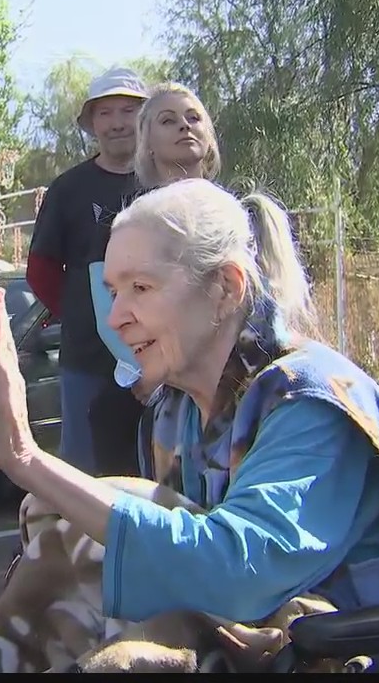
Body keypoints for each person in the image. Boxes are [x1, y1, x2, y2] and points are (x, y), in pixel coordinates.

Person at [0, 178, 379, 673]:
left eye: (141, 288)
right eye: (112, 291)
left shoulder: (312, 403)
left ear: (225, 288)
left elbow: (240, 576)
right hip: (228, 637)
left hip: (337, 651)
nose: (117, 316)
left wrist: (29, 461)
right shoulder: (175, 412)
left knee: (84, 537)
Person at [87, 81, 223, 477]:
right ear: (146, 143)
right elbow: (108, 313)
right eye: (168, 120)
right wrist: (151, 372)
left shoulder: (239, 215)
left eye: (193, 117)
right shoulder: (125, 225)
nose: (185, 126)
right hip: (150, 377)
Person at [26, 67, 148, 476]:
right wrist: (83, 314)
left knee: (157, 468)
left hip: (161, 357)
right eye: (105, 113)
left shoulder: (162, 183)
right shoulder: (68, 189)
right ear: (92, 123)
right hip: (87, 362)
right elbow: (40, 271)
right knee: (87, 474)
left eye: (128, 111)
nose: (117, 123)